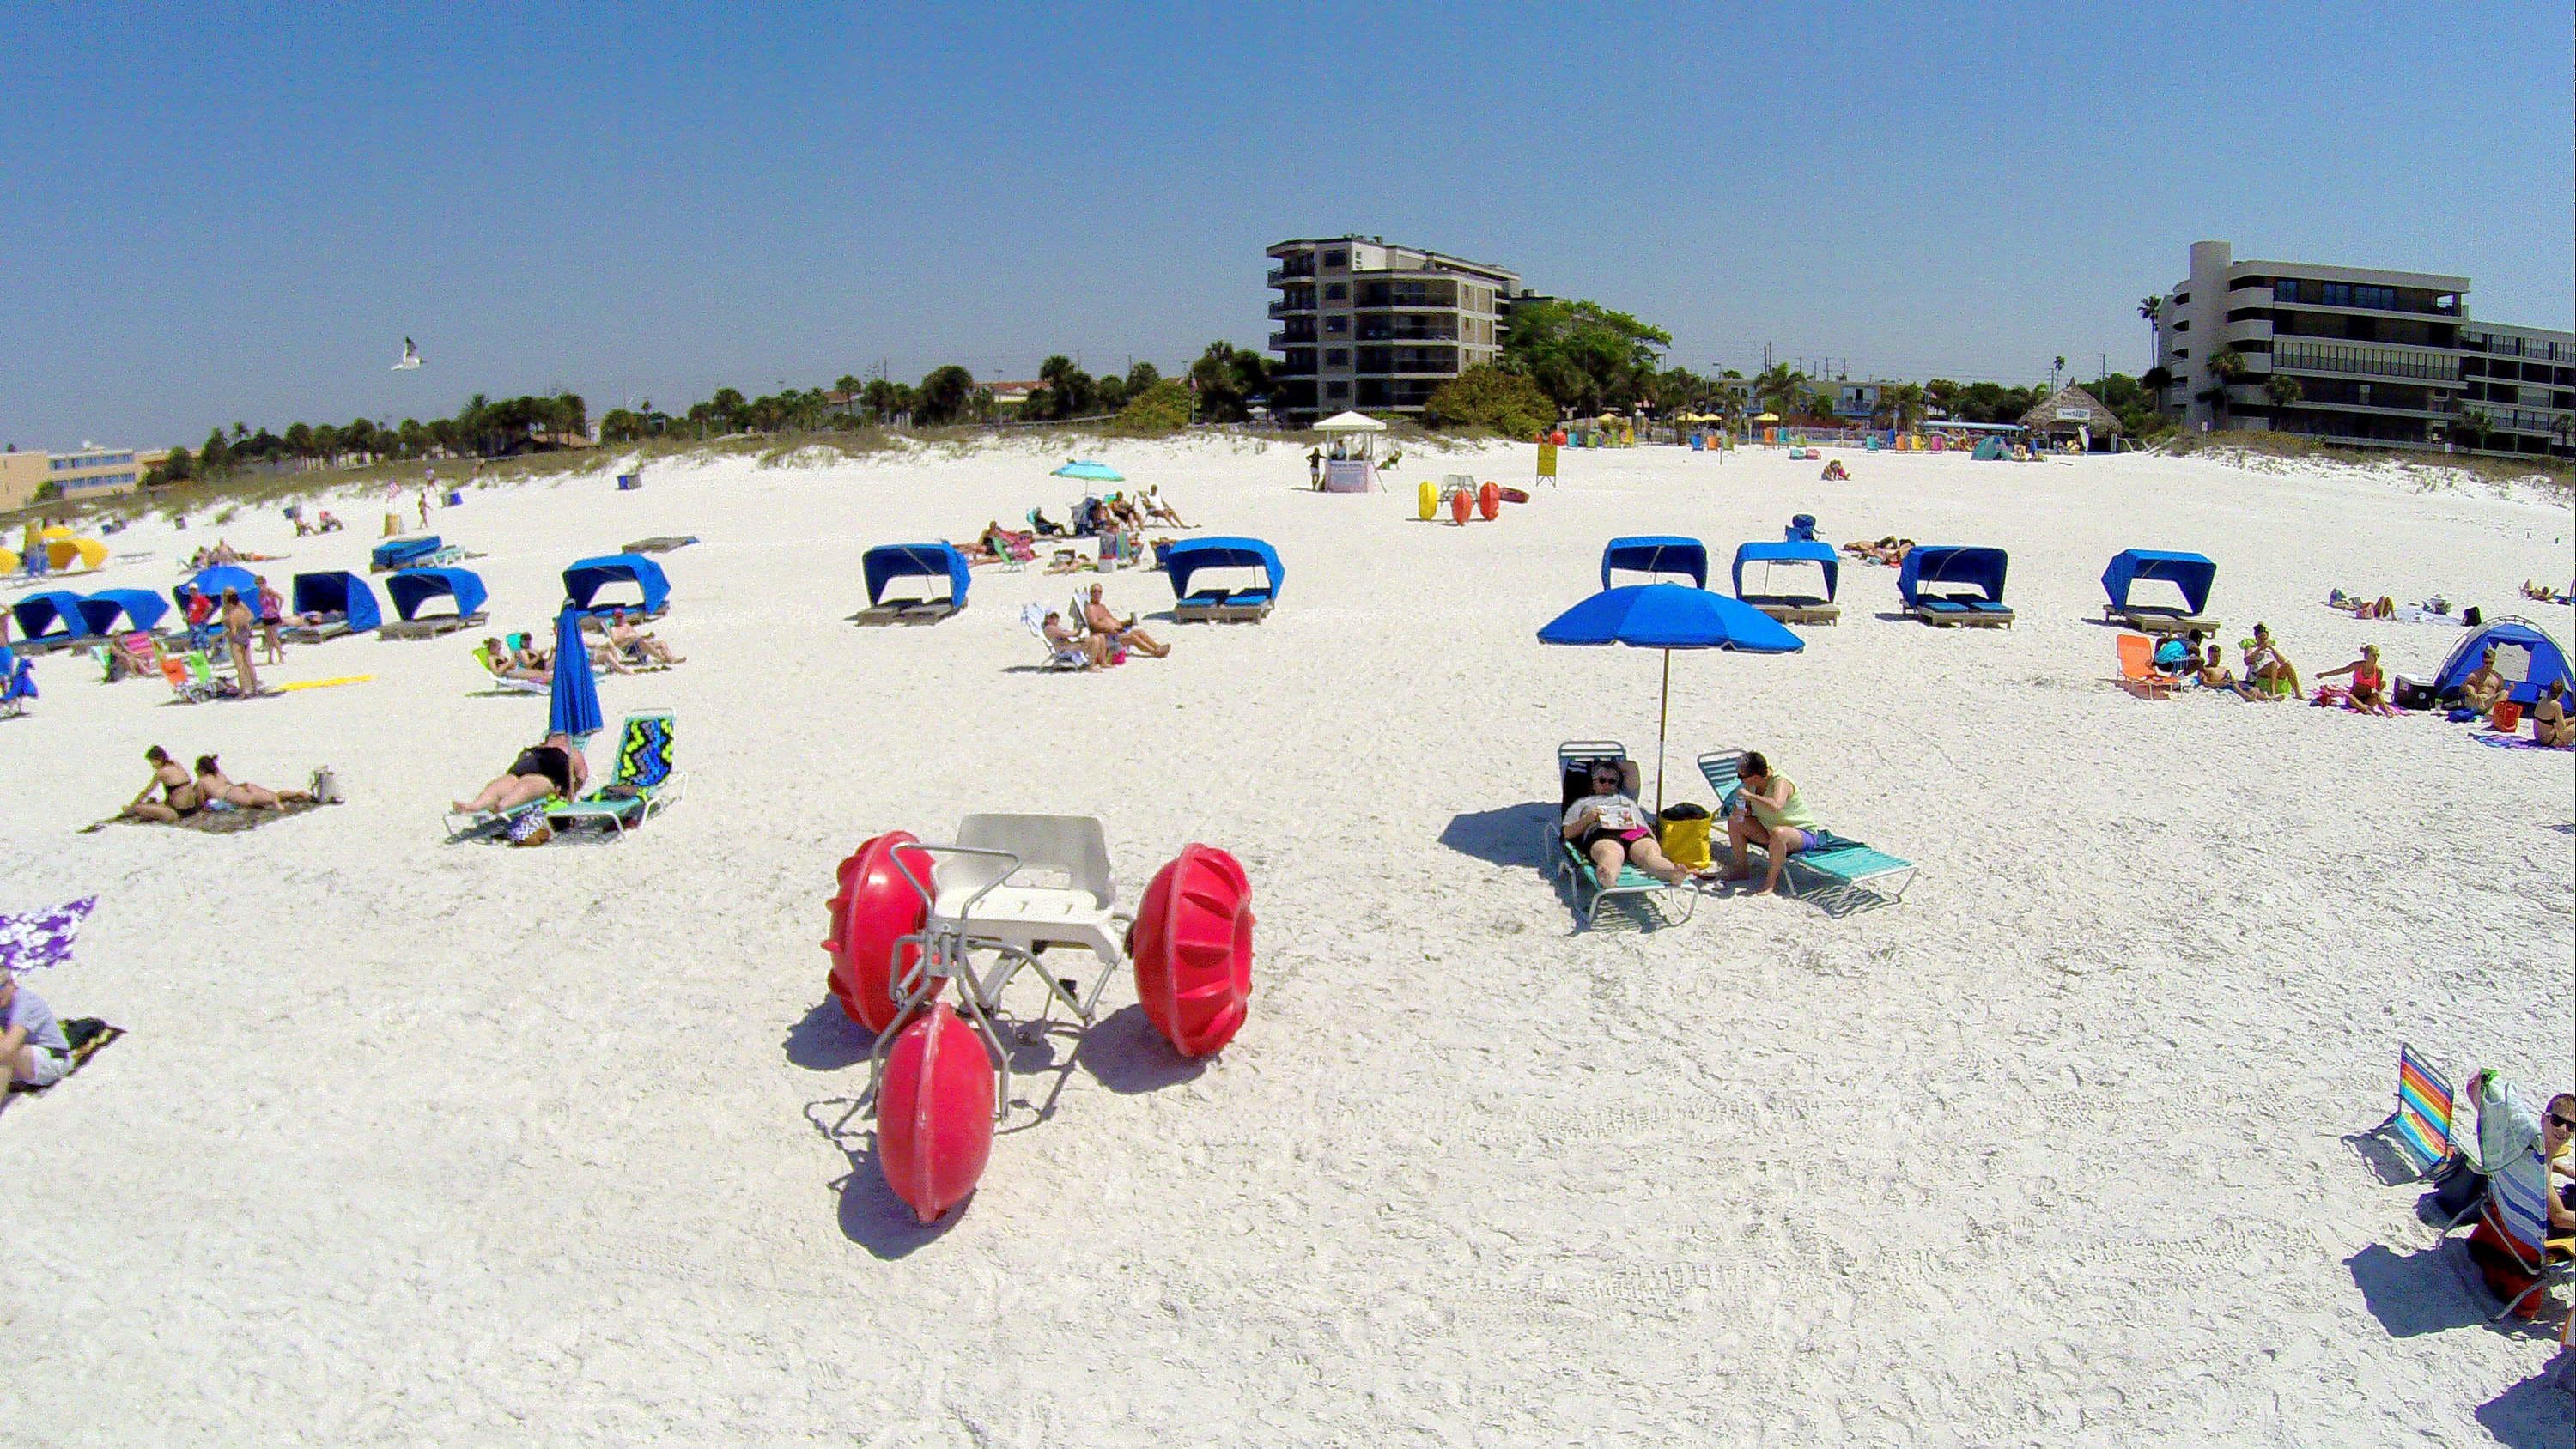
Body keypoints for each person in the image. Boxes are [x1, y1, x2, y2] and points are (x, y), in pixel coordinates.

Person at [1562, 759, 1703, 888]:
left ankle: (1672, 872)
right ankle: (1608, 875)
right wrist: (1587, 819)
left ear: (1618, 784)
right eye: (1602, 780)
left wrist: (1607, 764)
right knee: (1611, 852)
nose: (1606, 784)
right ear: (1593, 783)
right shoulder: (1582, 803)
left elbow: (1631, 767)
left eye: (1612, 781)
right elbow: (1567, 833)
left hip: (1634, 830)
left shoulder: (1626, 797)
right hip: (1602, 832)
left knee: (1649, 853)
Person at [1721, 751, 1822, 896]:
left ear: (1755, 777)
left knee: (1779, 833)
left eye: (1741, 777)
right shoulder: (1752, 785)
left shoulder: (1780, 782)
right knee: (1735, 821)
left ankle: (1770, 883)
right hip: (1769, 830)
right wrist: (1745, 809)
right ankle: (1741, 869)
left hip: (1801, 834)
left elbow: (1776, 806)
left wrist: (1750, 796)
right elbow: (1746, 809)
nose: (1740, 780)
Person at [453, 731, 586, 815]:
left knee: (526, 784)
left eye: (559, 733)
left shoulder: (571, 751)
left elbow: (582, 775)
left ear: (567, 737)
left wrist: (570, 794)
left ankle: (502, 806)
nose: (555, 734)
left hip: (547, 780)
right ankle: (474, 806)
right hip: (516, 776)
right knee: (499, 784)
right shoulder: (536, 748)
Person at [1, 971, 72, 1098]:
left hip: (53, 1059)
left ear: (12, 983)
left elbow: (8, 1048)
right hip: (27, 1059)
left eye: (1, 987)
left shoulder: (25, 1003)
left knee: (6, 1055)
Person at [194, 754, 309, 810]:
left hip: (230, 794)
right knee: (275, 794)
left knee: (253, 801)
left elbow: (201, 802)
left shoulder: (202, 781)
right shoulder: (220, 775)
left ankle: (275, 803)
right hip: (241, 787)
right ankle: (296, 794)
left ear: (201, 769)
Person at [1084, 583, 1169, 658]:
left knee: (1139, 632)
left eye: (1099, 592)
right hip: (1107, 637)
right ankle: (1154, 652)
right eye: (1095, 591)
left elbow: (1113, 621)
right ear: (1090, 593)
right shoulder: (1090, 608)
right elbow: (1093, 625)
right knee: (1132, 637)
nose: (1097, 594)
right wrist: (1109, 629)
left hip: (1116, 632)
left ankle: (1157, 646)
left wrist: (1127, 622)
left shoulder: (1102, 607)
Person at [123, 744, 204, 822]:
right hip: (192, 809)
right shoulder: (176, 764)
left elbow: (146, 792)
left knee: (138, 807)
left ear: (160, 759)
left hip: (178, 812)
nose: (152, 765)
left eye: (153, 762)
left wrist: (131, 806)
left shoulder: (161, 772)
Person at [2319, 643, 2397, 715]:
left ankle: (2386, 712)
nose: (2376, 658)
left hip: (2367, 698)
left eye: (2377, 655)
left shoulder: (2378, 670)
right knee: (2350, 697)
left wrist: (2381, 686)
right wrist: (2324, 674)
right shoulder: (2358, 665)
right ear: (2367, 656)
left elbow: (2377, 689)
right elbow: (2343, 670)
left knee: (2378, 695)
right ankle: (2364, 709)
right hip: (2355, 697)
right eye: (2373, 655)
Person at [605, 611, 683, 667]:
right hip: (629, 649)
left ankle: (671, 659)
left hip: (638, 644)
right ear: (614, 618)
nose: (620, 619)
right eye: (618, 617)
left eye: (621, 617)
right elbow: (616, 643)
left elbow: (638, 636)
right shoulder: (614, 629)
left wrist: (647, 636)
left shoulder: (627, 626)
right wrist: (627, 639)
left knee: (661, 643)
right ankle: (662, 658)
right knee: (642, 643)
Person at [219, 589, 259, 695]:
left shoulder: (234, 611)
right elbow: (247, 621)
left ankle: (243, 691)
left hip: (236, 638)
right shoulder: (237, 610)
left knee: (240, 666)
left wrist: (226, 633)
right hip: (245, 635)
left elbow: (233, 631)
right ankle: (255, 688)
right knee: (249, 664)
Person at [2243, 623, 2300, 699]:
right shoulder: (2251, 647)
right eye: (2260, 638)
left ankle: (2298, 694)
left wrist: (2271, 649)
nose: (2263, 641)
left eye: (2265, 639)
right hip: (2257, 673)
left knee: (2288, 665)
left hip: (2274, 670)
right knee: (2273, 664)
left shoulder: (2271, 648)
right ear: (2256, 638)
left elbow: (2283, 661)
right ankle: (2273, 692)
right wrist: (2260, 648)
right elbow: (2247, 661)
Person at [2195, 644, 2263, 700]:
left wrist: (2233, 679)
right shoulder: (2205, 668)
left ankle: (2266, 698)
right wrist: (2219, 683)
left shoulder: (2223, 668)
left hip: (2230, 683)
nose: (2217, 659)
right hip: (2222, 685)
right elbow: (2205, 683)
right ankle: (2247, 697)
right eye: (2214, 657)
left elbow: (2233, 678)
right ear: (2209, 656)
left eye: (2218, 656)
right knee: (2234, 686)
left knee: (2252, 688)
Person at [1042, 610, 1109, 668]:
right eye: (1051, 617)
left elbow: (1067, 633)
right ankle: (1091, 666)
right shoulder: (1049, 628)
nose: (1054, 619)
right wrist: (1076, 632)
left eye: (1056, 617)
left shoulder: (1057, 627)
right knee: (1094, 640)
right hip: (1063, 650)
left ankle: (1103, 662)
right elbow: (1065, 635)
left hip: (1068, 646)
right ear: (1047, 619)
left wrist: (1077, 632)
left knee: (1100, 636)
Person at [2459, 648, 2510, 716]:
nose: (2488, 665)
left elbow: (2500, 696)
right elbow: (2461, 691)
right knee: (2469, 686)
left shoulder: (2498, 677)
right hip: (2475, 702)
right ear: (2483, 662)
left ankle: (2490, 714)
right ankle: (2479, 705)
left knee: (2505, 693)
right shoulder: (2474, 675)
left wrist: (2509, 690)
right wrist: (2474, 695)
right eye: (2486, 663)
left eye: (2491, 663)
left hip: (2488, 703)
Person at [482, 637, 550, 687]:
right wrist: (509, 663)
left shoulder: (499, 655)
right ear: (492, 648)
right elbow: (497, 672)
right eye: (498, 648)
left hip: (516, 669)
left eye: (500, 648)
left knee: (541, 673)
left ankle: (553, 680)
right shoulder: (491, 658)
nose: (500, 650)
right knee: (537, 675)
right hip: (510, 673)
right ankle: (552, 683)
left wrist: (514, 660)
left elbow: (508, 664)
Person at [254, 575, 286, 665]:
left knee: (274, 638)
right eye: (257, 585)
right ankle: (270, 658)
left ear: (264, 583)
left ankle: (281, 658)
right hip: (266, 617)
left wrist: (278, 609)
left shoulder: (269, 591)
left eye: (260, 584)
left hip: (273, 617)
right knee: (268, 638)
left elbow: (281, 598)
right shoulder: (260, 594)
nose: (259, 586)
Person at [2533, 681, 2573, 747]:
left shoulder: (2542, 700)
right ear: (2561, 693)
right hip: (2548, 741)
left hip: (2538, 737)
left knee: (2573, 719)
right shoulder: (2556, 705)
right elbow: (2561, 727)